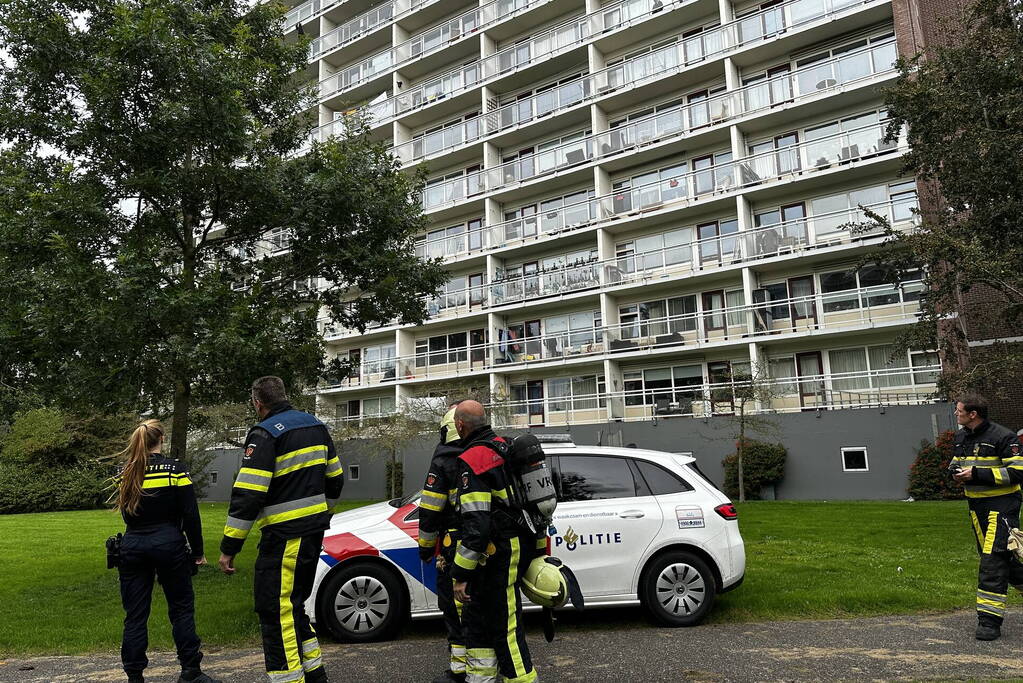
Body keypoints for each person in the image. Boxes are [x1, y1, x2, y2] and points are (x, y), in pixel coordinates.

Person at [218, 376, 344, 683]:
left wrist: (229, 547)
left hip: (285, 536)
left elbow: (248, 494)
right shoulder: (315, 426)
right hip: (313, 533)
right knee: (294, 605)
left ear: (257, 403)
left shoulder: (263, 434)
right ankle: (315, 673)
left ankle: (289, 678)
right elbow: (336, 480)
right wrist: (315, 508)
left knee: (275, 611)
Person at [112, 419, 220, 683]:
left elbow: (128, 516)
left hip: (133, 545)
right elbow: (190, 515)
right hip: (169, 544)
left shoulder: (124, 472)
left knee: (135, 614)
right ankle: (190, 671)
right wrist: (198, 552)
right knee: (181, 608)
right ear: (161, 438)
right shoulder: (175, 471)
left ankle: (134, 675)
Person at [449, 401, 545, 683]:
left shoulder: (472, 460)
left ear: (460, 425)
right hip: (511, 545)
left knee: (506, 627)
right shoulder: (505, 446)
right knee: (477, 620)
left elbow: (476, 525)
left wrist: (460, 575)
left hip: (499, 551)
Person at [950, 393, 1023, 640]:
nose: (956, 414)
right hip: (976, 507)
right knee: (1006, 561)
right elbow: (957, 462)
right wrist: (956, 473)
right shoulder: (961, 436)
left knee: (992, 562)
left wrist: (977, 474)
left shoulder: (1004, 436)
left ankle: (989, 622)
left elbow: (1017, 472)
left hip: (1002, 506)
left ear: (973, 414)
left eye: (959, 411)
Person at [418, 402, 469, 683]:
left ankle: (460, 670)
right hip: (487, 544)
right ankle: (487, 664)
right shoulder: (487, 453)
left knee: (454, 607)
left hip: (453, 546)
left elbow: (429, 509)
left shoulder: (443, 461)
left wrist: (426, 548)